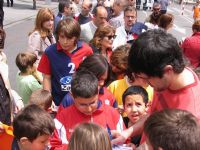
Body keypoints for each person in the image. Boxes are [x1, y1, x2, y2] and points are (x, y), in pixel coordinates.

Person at [111, 29, 200, 145]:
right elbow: (152, 114)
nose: (147, 84)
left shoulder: (191, 113)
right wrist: (126, 134)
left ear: (167, 70)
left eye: (147, 78)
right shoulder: (164, 80)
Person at [50, 70, 124, 149]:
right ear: (72, 96)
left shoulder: (113, 114)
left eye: (92, 103)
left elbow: (124, 143)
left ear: (98, 93)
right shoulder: (63, 117)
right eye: (82, 104)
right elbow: (54, 146)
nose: (89, 109)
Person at [38, 18, 93, 107]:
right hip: (57, 101)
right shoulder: (50, 52)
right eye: (62, 37)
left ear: (76, 37)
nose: (65, 42)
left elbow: (91, 76)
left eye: (69, 38)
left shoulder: (87, 50)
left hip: (80, 101)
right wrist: (48, 99)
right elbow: (47, 77)